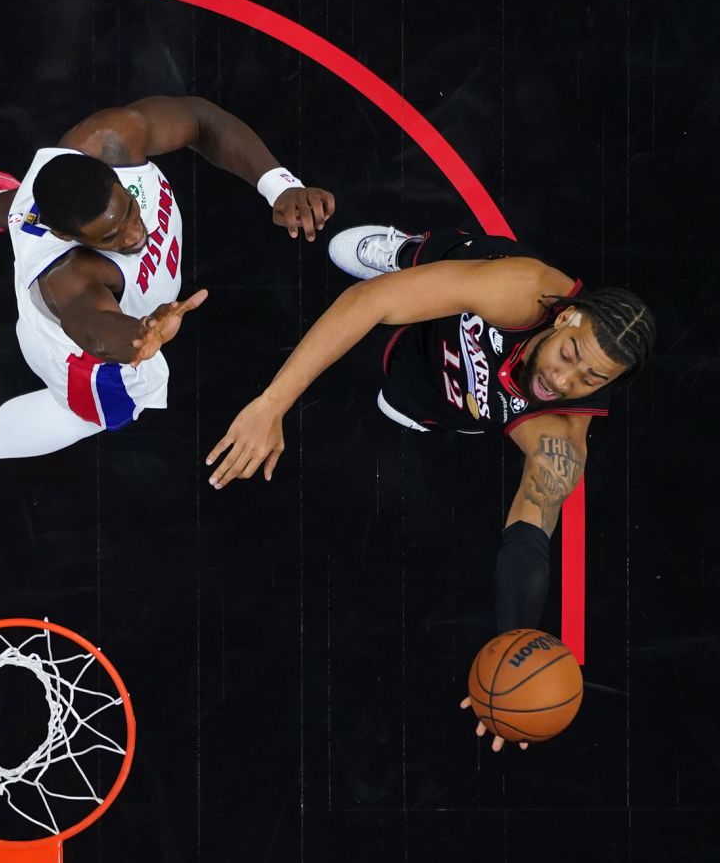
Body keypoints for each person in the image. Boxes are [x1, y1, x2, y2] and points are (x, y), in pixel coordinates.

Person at [204, 223, 655, 751]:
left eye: (590, 379)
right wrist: (271, 404)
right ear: (565, 319)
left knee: (415, 404)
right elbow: (368, 302)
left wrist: (510, 660)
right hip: (460, 289)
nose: (563, 380)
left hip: (447, 385)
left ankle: (437, 394)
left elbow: (528, 538)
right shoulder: (521, 292)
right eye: (569, 354)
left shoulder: (560, 436)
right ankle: (406, 253)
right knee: (407, 287)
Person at [0, 96, 335, 494]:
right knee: (87, 412)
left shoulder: (109, 137)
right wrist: (141, 337)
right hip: (77, 351)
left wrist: (279, 186)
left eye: (129, 211)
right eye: (111, 236)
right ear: (70, 238)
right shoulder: (68, 277)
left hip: (51, 224)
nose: (135, 234)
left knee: (28, 201)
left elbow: (200, 120)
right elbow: (93, 330)